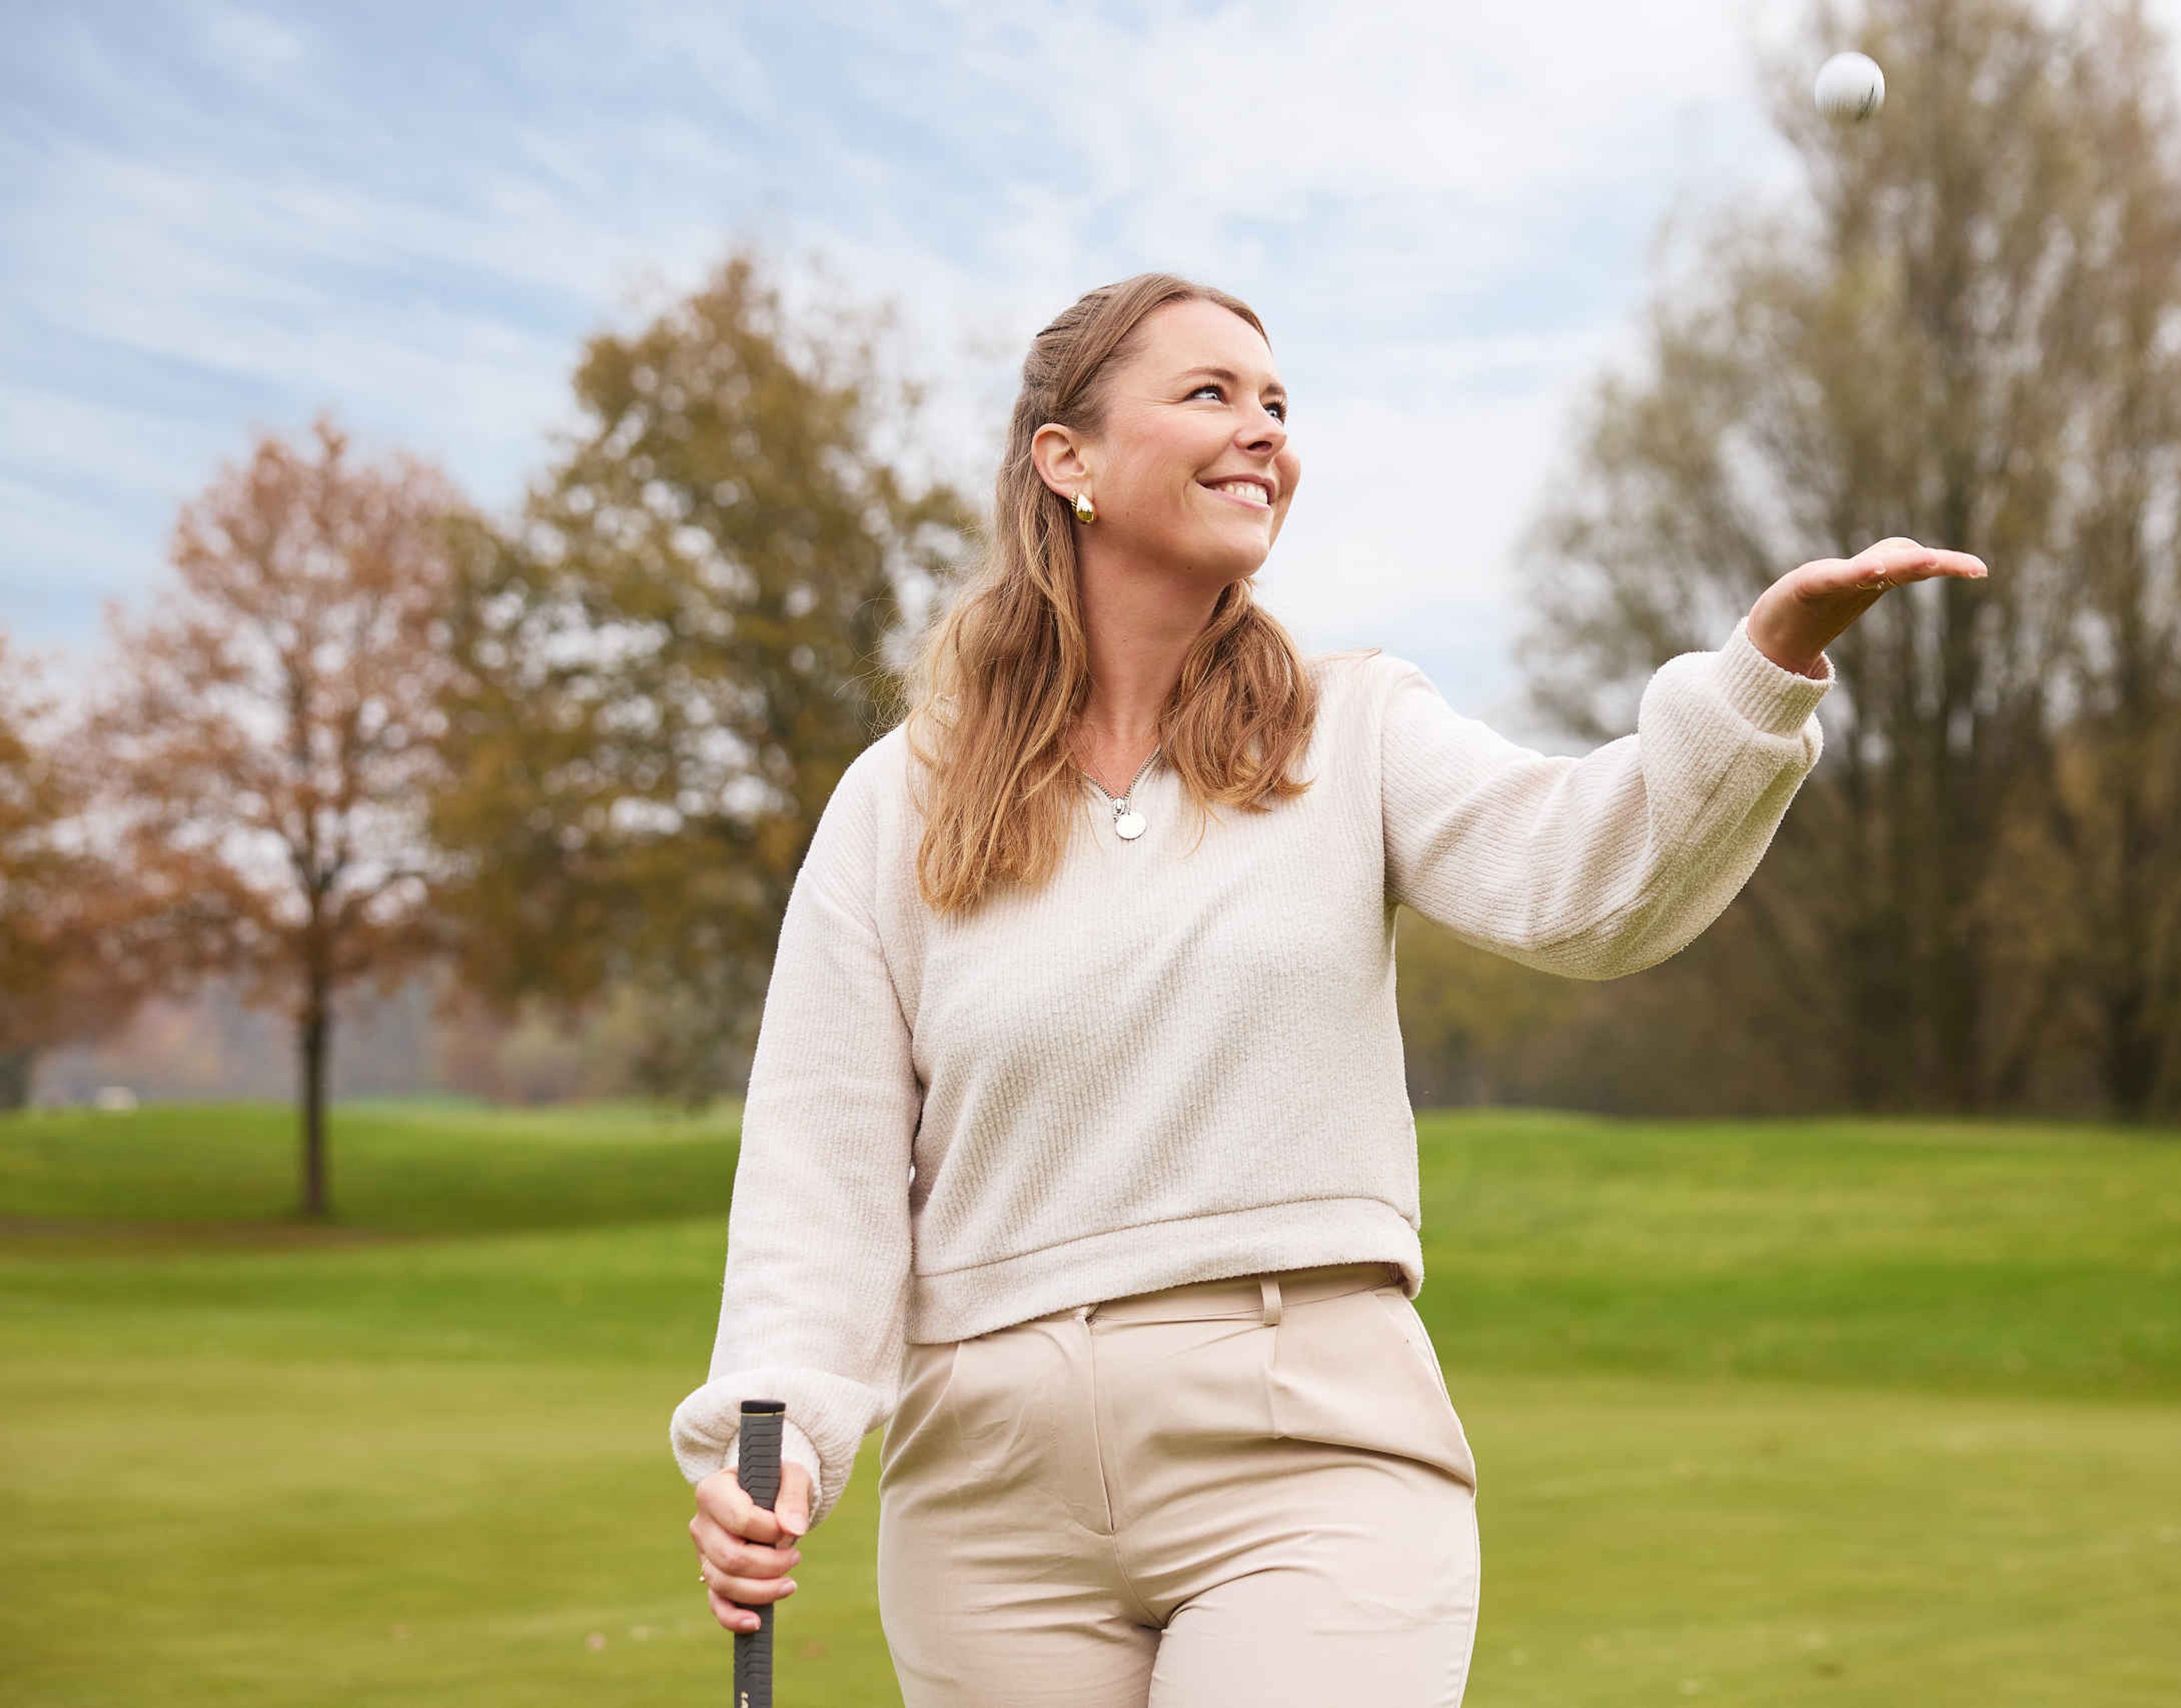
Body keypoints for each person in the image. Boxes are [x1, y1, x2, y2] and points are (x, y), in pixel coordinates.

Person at [669, 272, 1988, 1706]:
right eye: (1212, 395)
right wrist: (780, 1436)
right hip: (990, 1511)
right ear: (1070, 460)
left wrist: (1766, 670)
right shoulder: (896, 803)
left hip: (1314, 1463)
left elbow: (1589, 880)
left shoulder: (1352, 726)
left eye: (1279, 405)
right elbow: (820, 1167)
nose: (1265, 435)